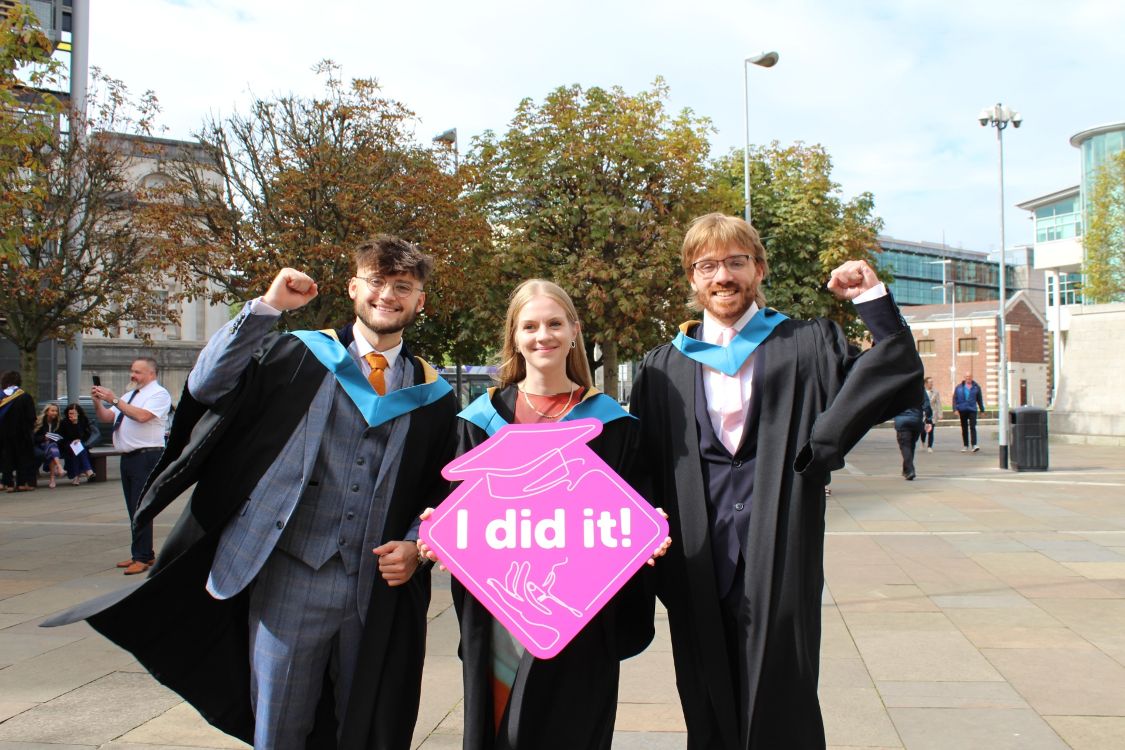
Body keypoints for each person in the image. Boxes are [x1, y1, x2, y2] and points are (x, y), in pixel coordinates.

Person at [44, 235, 459, 750]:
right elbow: (208, 384)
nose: (388, 295)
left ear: (420, 301)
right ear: (355, 287)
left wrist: (418, 543)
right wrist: (268, 307)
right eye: (377, 281)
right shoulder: (298, 355)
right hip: (288, 574)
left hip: (375, 587)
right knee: (279, 726)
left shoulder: (435, 396)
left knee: (365, 722)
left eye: (404, 286)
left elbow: (447, 488)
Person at [628, 213, 922, 749]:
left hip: (782, 547)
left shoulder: (809, 344)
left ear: (759, 269)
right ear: (692, 279)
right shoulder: (661, 368)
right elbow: (640, 470)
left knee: (783, 691)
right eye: (708, 265)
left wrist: (871, 300)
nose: (723, 276)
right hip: (695, 558)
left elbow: (894, 372)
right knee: (705, 696)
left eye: (737, 262)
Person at [425, 279, 665, 750]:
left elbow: (638, 508)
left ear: (575, 330)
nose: (543, 336)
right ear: (514, 336)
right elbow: (455, 509)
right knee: (501, 731)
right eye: (530, 326)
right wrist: (439, 529)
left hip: (580, 614)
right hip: (499, 613)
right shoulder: (480, 420)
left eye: (555, 324)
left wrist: (650, 532)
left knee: (571, 728)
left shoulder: (611, 424)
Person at [92, 358, 172, 575]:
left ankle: (143, 556)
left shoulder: (158, 394)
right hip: (129, 457)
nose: (133, 375)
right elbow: (108, 417)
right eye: (132, 371)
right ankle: (142, 552)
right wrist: (99, 401)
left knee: (141, 506)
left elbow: (143, 416)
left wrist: (114, 399)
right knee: (132, 507)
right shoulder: (130, 395)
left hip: (146, 456)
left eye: (137, 372)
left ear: (151, 374)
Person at [0, 371, 37, 493]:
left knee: (7, 457)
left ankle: (8, 483)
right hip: (22, 434)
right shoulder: (25, 396)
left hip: (3, 434)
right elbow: (31, 417)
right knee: (22, 457)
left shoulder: (1, 396)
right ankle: (21, 484)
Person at [893, 390, 932, 481]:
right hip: (916, 420)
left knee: (905, 445)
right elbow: (926, 405)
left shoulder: (898, 386)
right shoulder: (918, 386)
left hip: (901, 420)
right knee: (911, 445)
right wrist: (928, 419)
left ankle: (910, 470)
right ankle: (906, 470)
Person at [58, 403, 97, 484]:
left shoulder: (83, 420)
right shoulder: (64, 422)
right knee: (77, 447)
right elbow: (63, 437)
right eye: (70, 413)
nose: (71, 415)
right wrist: (74, 438)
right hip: (66, 444)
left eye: (73, 413)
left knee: (77, 448)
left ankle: (76, 477)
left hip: (81, 443)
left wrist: (75, 424)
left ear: (78, 413)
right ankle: (88, 470)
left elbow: (84, 435)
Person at [34, 403, 66, 488]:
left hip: (55, 446)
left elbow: (62, 437)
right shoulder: (39, 421)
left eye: (56, 411)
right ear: (47, 411)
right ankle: (57, 470)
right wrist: (44, 438)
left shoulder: (59, 422)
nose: (55, 413)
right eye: (52, 411)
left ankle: (55, 474)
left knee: (52, 447)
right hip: (41, 446)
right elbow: (34, 437)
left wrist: (55, 439)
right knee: (52, 448)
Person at [953, 371, 985, 452]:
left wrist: (982, 410)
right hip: (962, 409)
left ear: (972, 377)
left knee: (973, 427)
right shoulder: (959, 387)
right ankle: (965, 445)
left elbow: (979, 399)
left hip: (972, 410)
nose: (968, 378)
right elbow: (954, 399)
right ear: (965, 377)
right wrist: (955, 409)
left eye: (970, 376)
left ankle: (974, 445)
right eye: (967, 376)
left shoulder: (976, 387)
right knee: (964, 428)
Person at [922, 376, 941, 452]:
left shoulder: (936, 392)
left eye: (932, 382)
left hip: (932, 414)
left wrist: (940, 413)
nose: (931, 384)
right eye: (930, 382)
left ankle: (930, 446)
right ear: (926, 383)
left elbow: (938, 403)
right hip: (923, 414)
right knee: (923, 431)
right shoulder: (921, 392)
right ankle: (923, 440)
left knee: (931, 430)